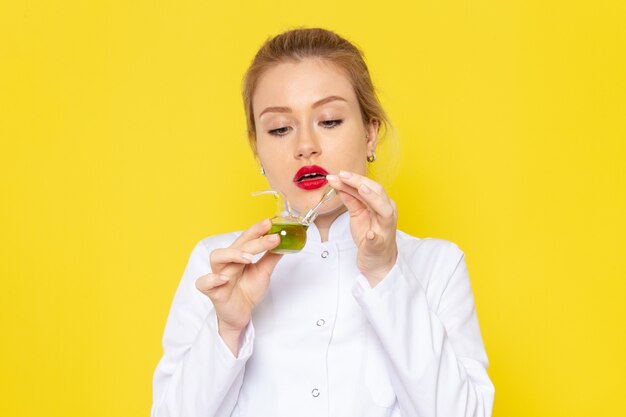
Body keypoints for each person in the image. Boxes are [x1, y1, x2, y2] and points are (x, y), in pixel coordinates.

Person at [151, 28, 494, 417]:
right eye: (280, 128)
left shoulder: (437, 265)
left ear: (370, 133)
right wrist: (228, 328)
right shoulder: (216, 266)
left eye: (329, 121)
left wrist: (386, 276)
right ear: (257, 149)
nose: (305, 145)